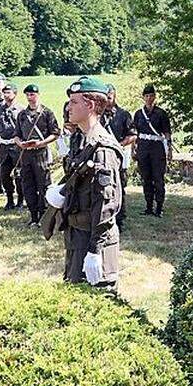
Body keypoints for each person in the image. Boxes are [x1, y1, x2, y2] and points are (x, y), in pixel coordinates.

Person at [46, 76, 124, 290]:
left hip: (94, 239)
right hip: (77, 235)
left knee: (98, 300)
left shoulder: (103, 149)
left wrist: (94, 251)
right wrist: (61, 191)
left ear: (89, 105)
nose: (68, 107)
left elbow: (107, 205)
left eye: (74, 102)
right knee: (74, 295)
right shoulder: (81, 140)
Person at [14, 83, 60, 227]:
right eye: (27, 95)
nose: (30, 97)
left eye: (32, 94)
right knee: (28, 185)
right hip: (26, 154)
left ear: (38, 95)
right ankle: (33, 216)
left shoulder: (46, 112)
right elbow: (16, 134)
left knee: (43, 185)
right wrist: (20, 143)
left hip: (41, 153)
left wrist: (41, 143)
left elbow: (55, 133)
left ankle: (44, 216)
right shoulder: (22, 115)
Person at [100, 84, 137, 228]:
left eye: (110, 96)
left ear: (114, 95)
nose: (108, 99)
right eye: (105, 96)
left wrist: (120, 144)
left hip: (118, 155)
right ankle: (104, 217)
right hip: (102, 156)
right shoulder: (98, 115)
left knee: (120, 186)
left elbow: (133, 134)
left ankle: (120, 219)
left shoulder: (123, 115)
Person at [133, 84, 172, 217]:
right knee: (146, 178)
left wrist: (169, 148)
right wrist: (134, 149)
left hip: (157, 147)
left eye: (151, 96)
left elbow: (166, 132)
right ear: (143, 97)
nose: (149, 98)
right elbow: (135, 133)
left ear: (154, 97)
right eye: (147, 96)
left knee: (158, 178)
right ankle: (149, 206)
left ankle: (159, 207)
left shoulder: (161, 113)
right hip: (143, 146)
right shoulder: (138, 114)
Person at [0, 83, 23, 211]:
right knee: (4, 174)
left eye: (8, 93)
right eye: (4, 93)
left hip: (16, 145)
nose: (5, 95)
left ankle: (21, 200)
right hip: (4, 144)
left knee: (19, 174)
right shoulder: (0, 108)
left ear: (15, 94)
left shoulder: (21, 109)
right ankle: (9, 199)